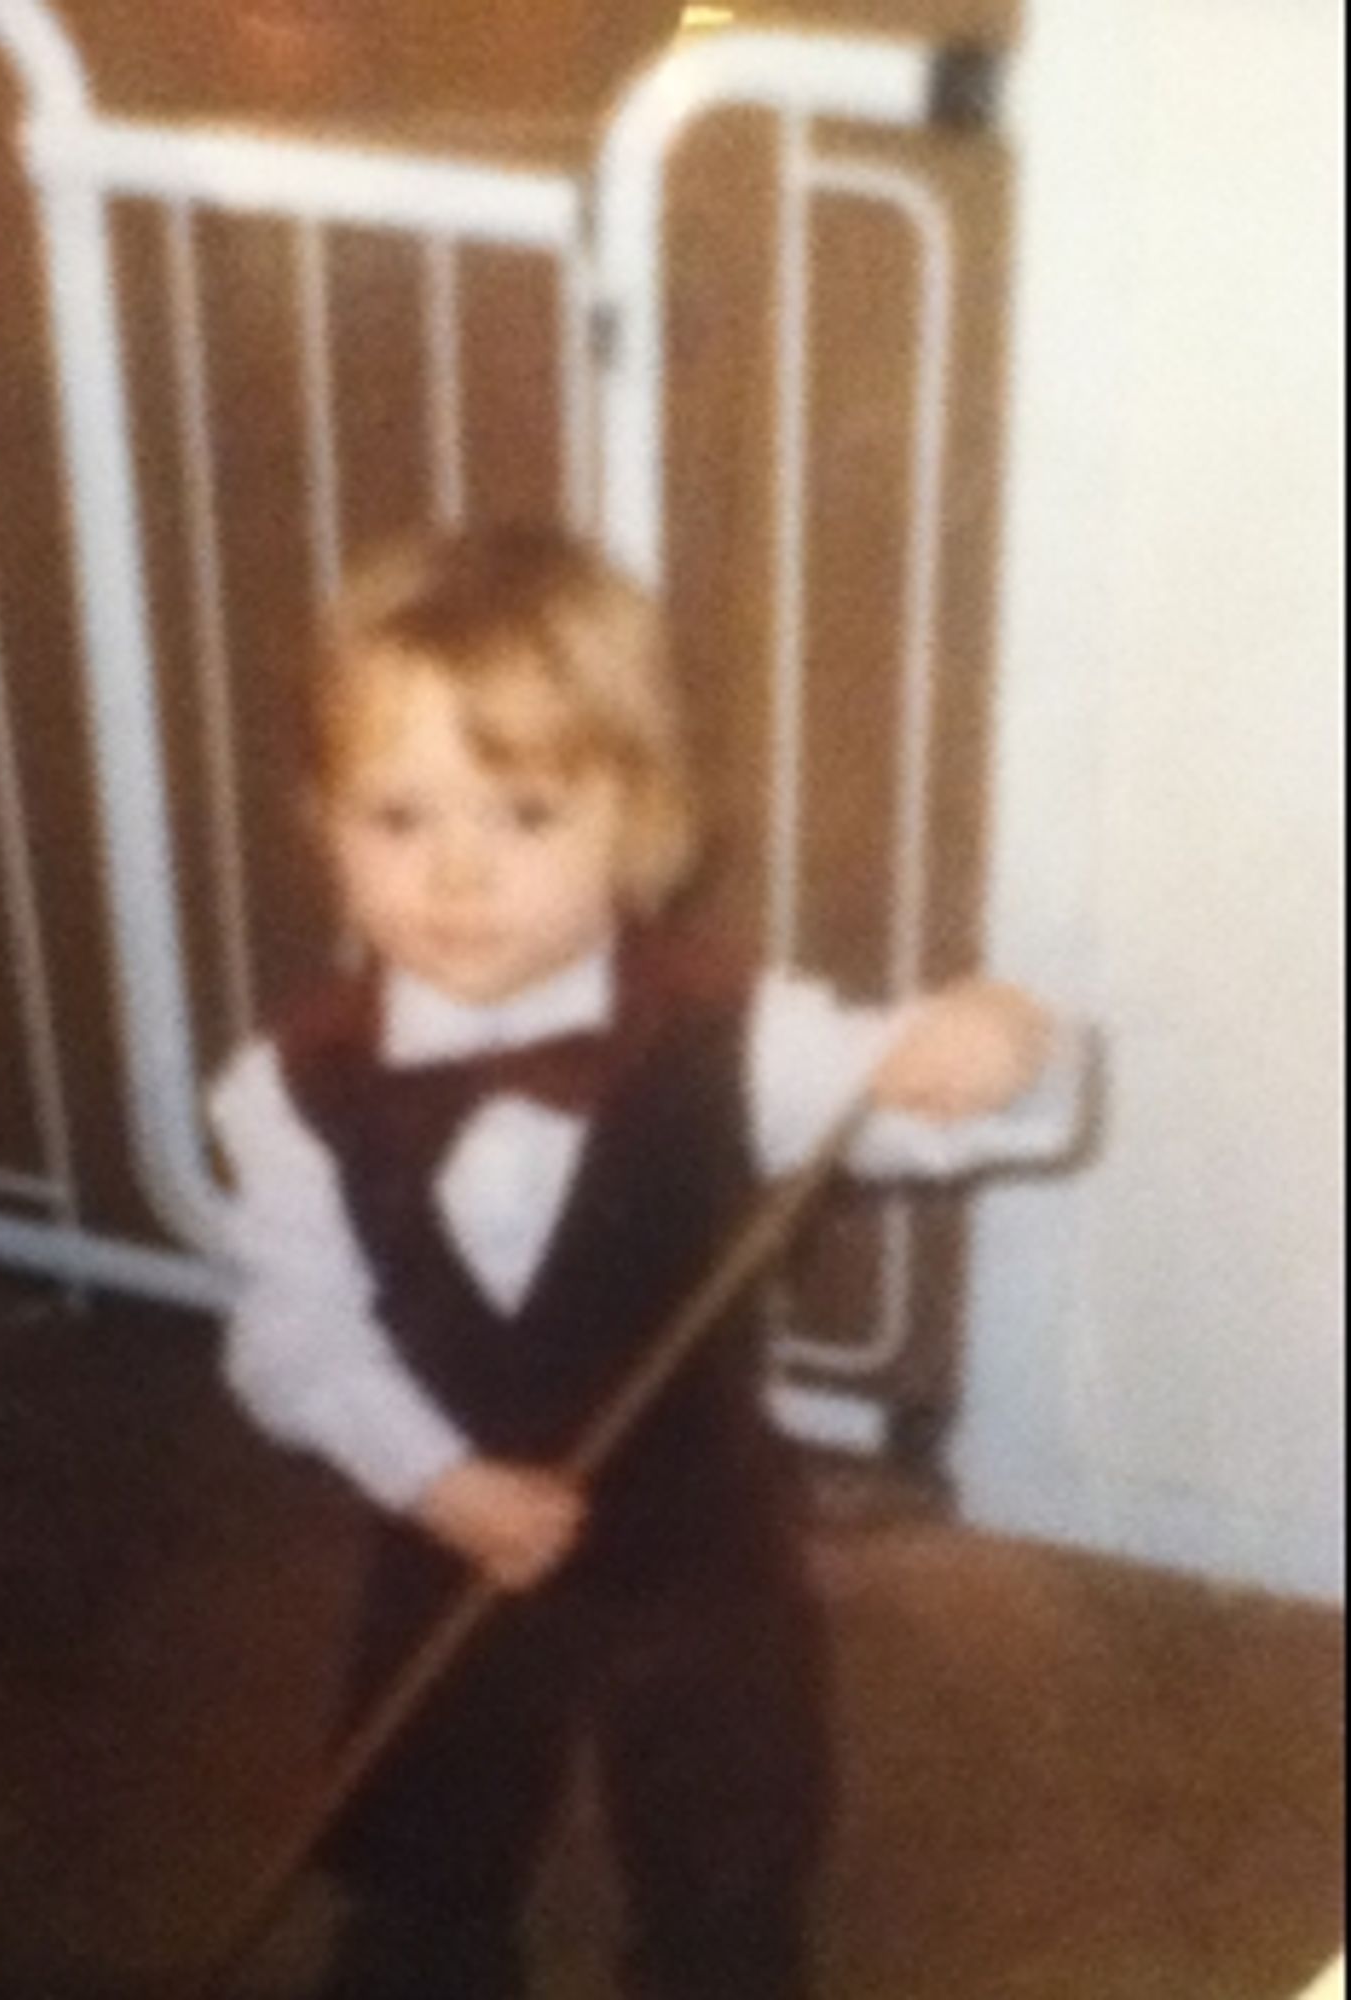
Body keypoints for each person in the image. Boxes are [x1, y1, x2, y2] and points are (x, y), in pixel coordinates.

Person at [208, 524, 1057, 2000]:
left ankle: (714, 1948)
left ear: (638, 820)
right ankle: (429, 1938)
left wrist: (996, 1041)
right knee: (425, 1810)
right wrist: (437, 1482)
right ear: (323, 825)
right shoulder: (289, 1086)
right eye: (398, 817)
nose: (457, 874)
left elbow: (917, 1103)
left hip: (695, 1537)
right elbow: (293, 1340)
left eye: (524, 815)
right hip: (446, 1516)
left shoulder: (737, 1031)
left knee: (728, 1828)